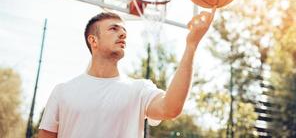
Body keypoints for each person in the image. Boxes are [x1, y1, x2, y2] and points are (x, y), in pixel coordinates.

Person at [38, 8, 216, 138]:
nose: (122, 34)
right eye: (114, 29)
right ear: (93, 40)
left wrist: (191, 46)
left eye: (124, 31)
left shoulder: (139, 89)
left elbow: (170, 108)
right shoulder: (62, 91)